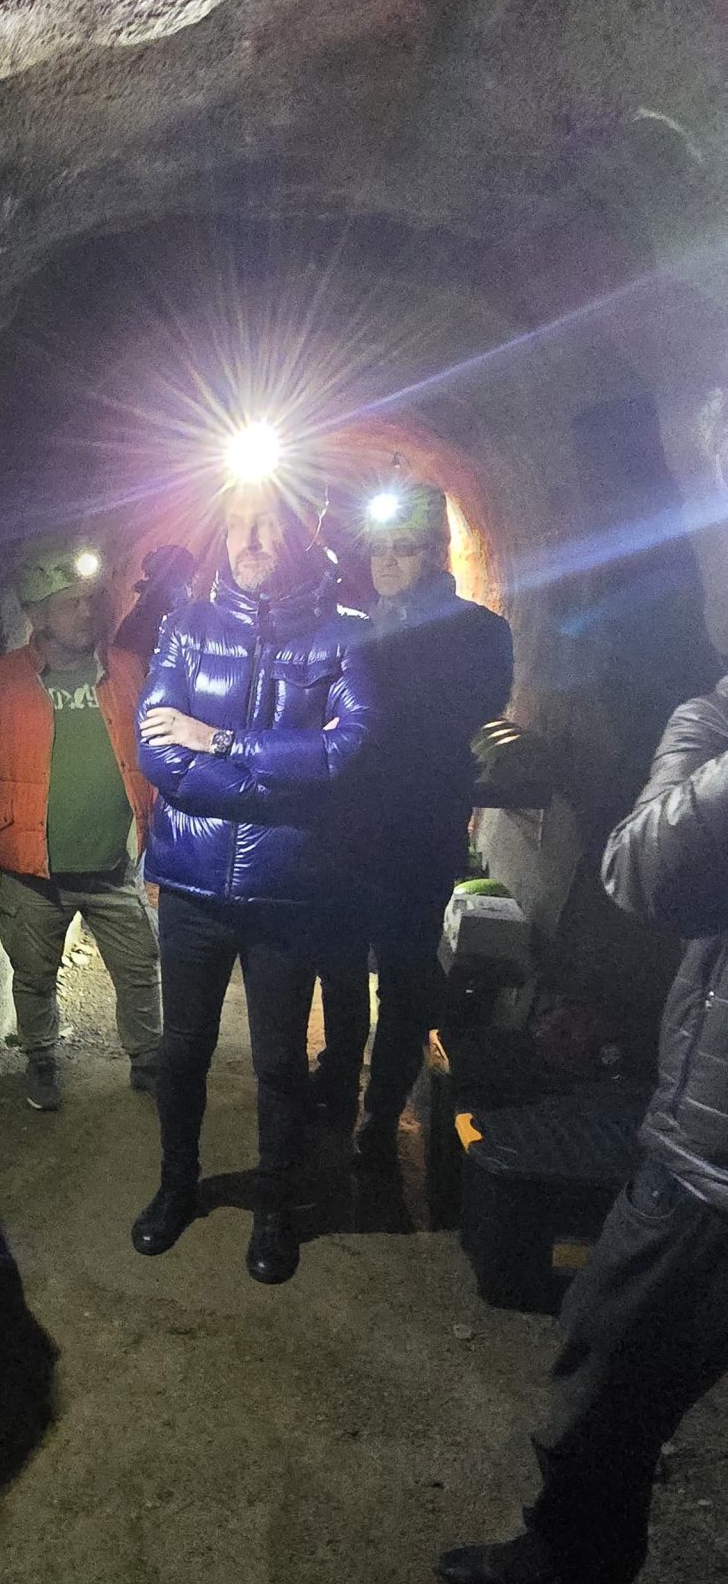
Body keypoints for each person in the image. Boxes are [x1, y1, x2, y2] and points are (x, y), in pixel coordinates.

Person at [436, 678, 728, 1584]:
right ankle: (571, 1558)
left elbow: (645, 875)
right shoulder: (712, 720)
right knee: (599, 1378)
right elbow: (646, 877)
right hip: (703, 1151)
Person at [132, 483, 378, 1284]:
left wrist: (220, 741)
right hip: (192, 885)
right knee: (182, 1050)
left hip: (286, 892)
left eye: (265, 524)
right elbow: (157, 753)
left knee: (277, 1061)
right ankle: (176, 1187)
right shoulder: (185, 627)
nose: (249, 539)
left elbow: (347, 752)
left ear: (296, 535)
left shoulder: (344, 637)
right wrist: (280, 786)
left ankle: (273, 1204)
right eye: (236, 525)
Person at [313, 479, 514, 1165]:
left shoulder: (477, 632)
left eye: (404, 547)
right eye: (379, 548)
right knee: (341, 970)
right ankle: (337, 1083)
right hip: (348, 835)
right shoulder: (358, 626)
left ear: (433, 553)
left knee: (401, 981)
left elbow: (455, 715)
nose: (388, 560)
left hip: (417, 836)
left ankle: (379, 1115)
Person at [0, 539, 161, 1111]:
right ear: (37, 614)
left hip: (115, 865)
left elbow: (159, 754)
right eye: (71, 602)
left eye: (91, 599)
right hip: (32, 871)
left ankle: (148, 1059)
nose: (87, 611)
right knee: (33, 975)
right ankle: (41, 1057)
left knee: (139, 970)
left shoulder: (127, 670)